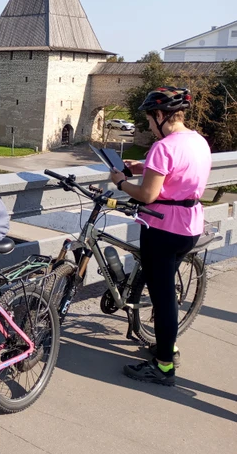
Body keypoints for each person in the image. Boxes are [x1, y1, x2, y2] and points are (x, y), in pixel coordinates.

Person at [109, 86, 211, 386]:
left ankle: (164, 366)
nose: (149, 127)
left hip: (162, 228)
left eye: (150, 121)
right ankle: (168, 344)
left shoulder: (164, 147)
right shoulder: (197, 141)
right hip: (190, 226)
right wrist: (145, 167)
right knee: (164, 292)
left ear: (160, 115)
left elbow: (147, 194)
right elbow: (180, 173)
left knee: (163, 298)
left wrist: (121, 181)